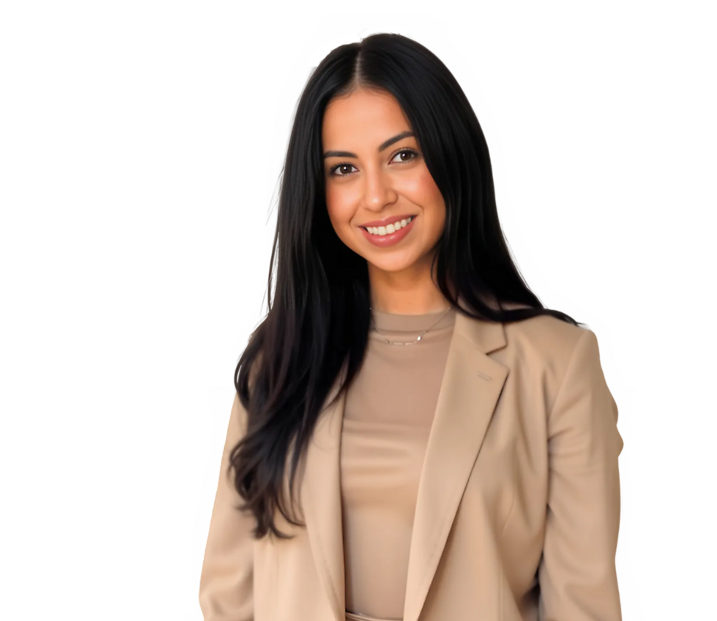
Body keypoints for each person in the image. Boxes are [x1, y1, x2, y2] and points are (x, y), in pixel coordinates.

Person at [197, 30, 623, 621]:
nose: (375, 196)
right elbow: (227, 593)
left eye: (403, 155)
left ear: (450, 153)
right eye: (344, 168)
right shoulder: (281, 358)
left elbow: (583, 606)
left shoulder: (555, 364)